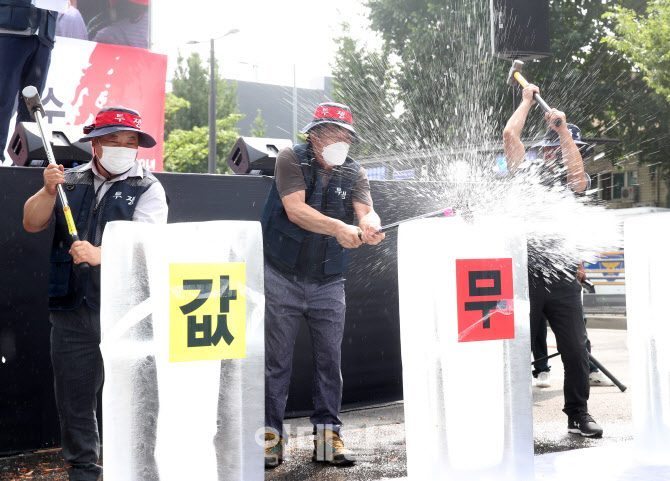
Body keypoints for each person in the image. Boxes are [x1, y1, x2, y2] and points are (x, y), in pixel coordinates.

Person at [23, 106, 168, 481]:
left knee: (135, 397)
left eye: (131, 141)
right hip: (71, 309)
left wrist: (102, 254)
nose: (123, 147)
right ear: (95, 144)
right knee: (74, 398)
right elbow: (31, 221)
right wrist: (47, 189)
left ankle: (137, 467)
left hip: (124, 311)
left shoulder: (149, 187)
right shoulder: (68, 181)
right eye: (114, 140)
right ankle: (83, 468)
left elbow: (149, 244)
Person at [261, 102, 384, 468]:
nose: (340, 142)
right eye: (332, 134)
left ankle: (328, 442)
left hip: (329, 282)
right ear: (314, 135)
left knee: (330, 362)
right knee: (276, 363)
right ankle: (269, 440)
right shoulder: (290, 158)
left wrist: (370, 226)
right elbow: (296, 210)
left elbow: (367, 211)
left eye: (345, 136)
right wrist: (339, 228)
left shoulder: (355, 172)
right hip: (281, 275)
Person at [503, 84, 603, 438]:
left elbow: (577, 177)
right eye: (556, 145)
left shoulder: (573, 178)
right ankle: (511, 418)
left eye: (566, 146)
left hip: (561, 276)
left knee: (576, 347)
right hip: (523, 275)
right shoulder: (526, 175)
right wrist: (527, 102)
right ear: (544, 150)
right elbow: (508, 135)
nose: (561, 152)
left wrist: (565, 133)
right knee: (514, 348)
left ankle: (578, 413)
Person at [0, 0, 57, 164]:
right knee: (3, 96)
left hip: (43, 34)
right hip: (9, 29)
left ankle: (24, 159)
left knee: (33, 104)